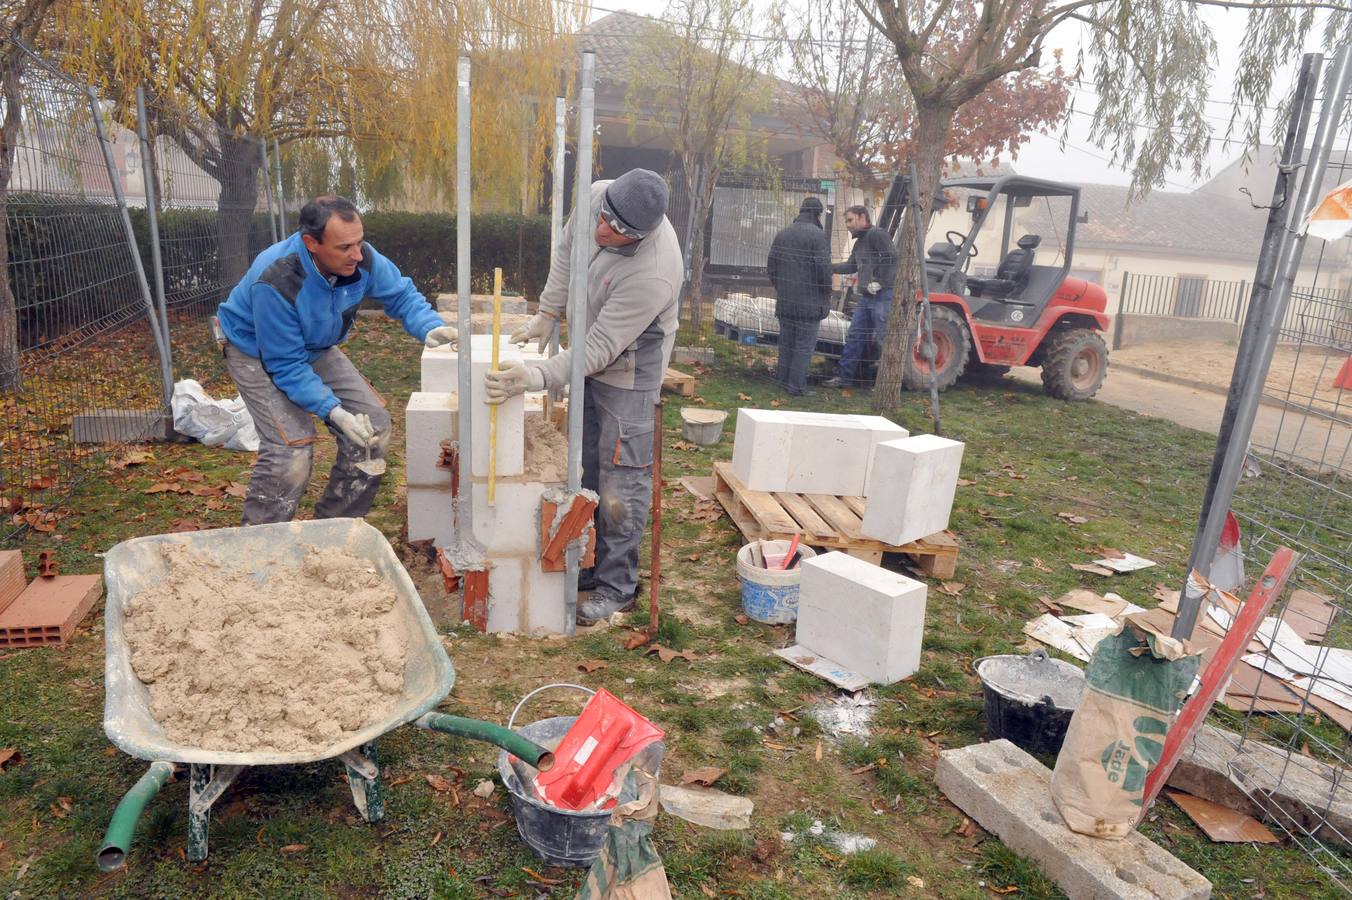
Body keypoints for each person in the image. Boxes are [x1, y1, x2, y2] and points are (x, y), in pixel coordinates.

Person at [482, 169, 682, 625]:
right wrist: (548, 312)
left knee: (620, 483)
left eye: (615, 231)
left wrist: (537, 376)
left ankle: (617, 587)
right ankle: (590, 564)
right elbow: (568, 255)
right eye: (603, 218)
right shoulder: (597, 197)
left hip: (631, 368)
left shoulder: (654, 273)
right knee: (589, 462)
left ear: (638, 236)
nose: (601, 230)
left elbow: (600, 349)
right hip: (591, 346)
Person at [216, 194, 457, 525]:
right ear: (311, 243)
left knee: (374, 428)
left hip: (316, 346)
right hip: (253, 348)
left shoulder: (362, 258)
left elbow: (400, 294)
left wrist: (429, 328)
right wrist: (333, 410)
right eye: (344, 247)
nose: (357, 255)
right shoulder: (276, 280)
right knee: (291, 450)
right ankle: (262, 544)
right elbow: (285, 364)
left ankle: (335, 528)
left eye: (359, 242)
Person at [822, 205, 897, 388]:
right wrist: (829, 267)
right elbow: (851, 266)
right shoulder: (861, 241)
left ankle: (886, 384)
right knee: (855, 336)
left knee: (883, 339)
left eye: (850, 220)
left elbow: (893, 258)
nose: (847, 225)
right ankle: (844, 377)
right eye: (846, 221)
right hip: (866, 297)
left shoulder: (877, 234)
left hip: (883, 295)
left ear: (863, 217)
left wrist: (881, 281)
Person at [766, 196, 832, 396]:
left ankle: (783, 382)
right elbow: (823, 269)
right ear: (817, 213)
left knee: (786, 344)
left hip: (786, 301)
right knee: (804, 346)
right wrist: (826, 291)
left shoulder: (782, 234)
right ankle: (796, 387)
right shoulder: (818, 236)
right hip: (810, 304)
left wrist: (783, 288)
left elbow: (771, 268)